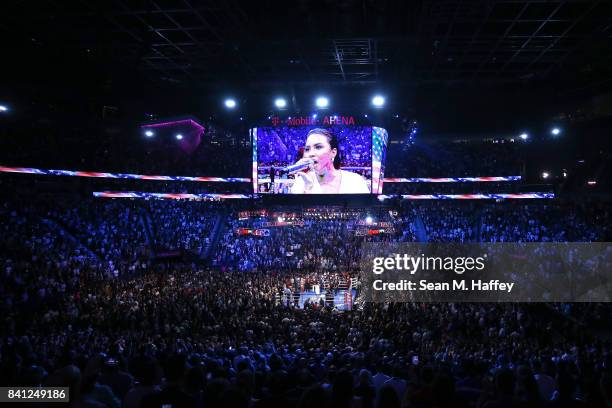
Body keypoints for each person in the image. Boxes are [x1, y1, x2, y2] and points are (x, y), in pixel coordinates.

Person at [290, 128, 370, 194]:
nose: (311, 154)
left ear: (333, 152)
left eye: (318, 147)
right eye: (307, 149)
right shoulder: (301, 182)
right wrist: (307, 189)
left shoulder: (355, 181)